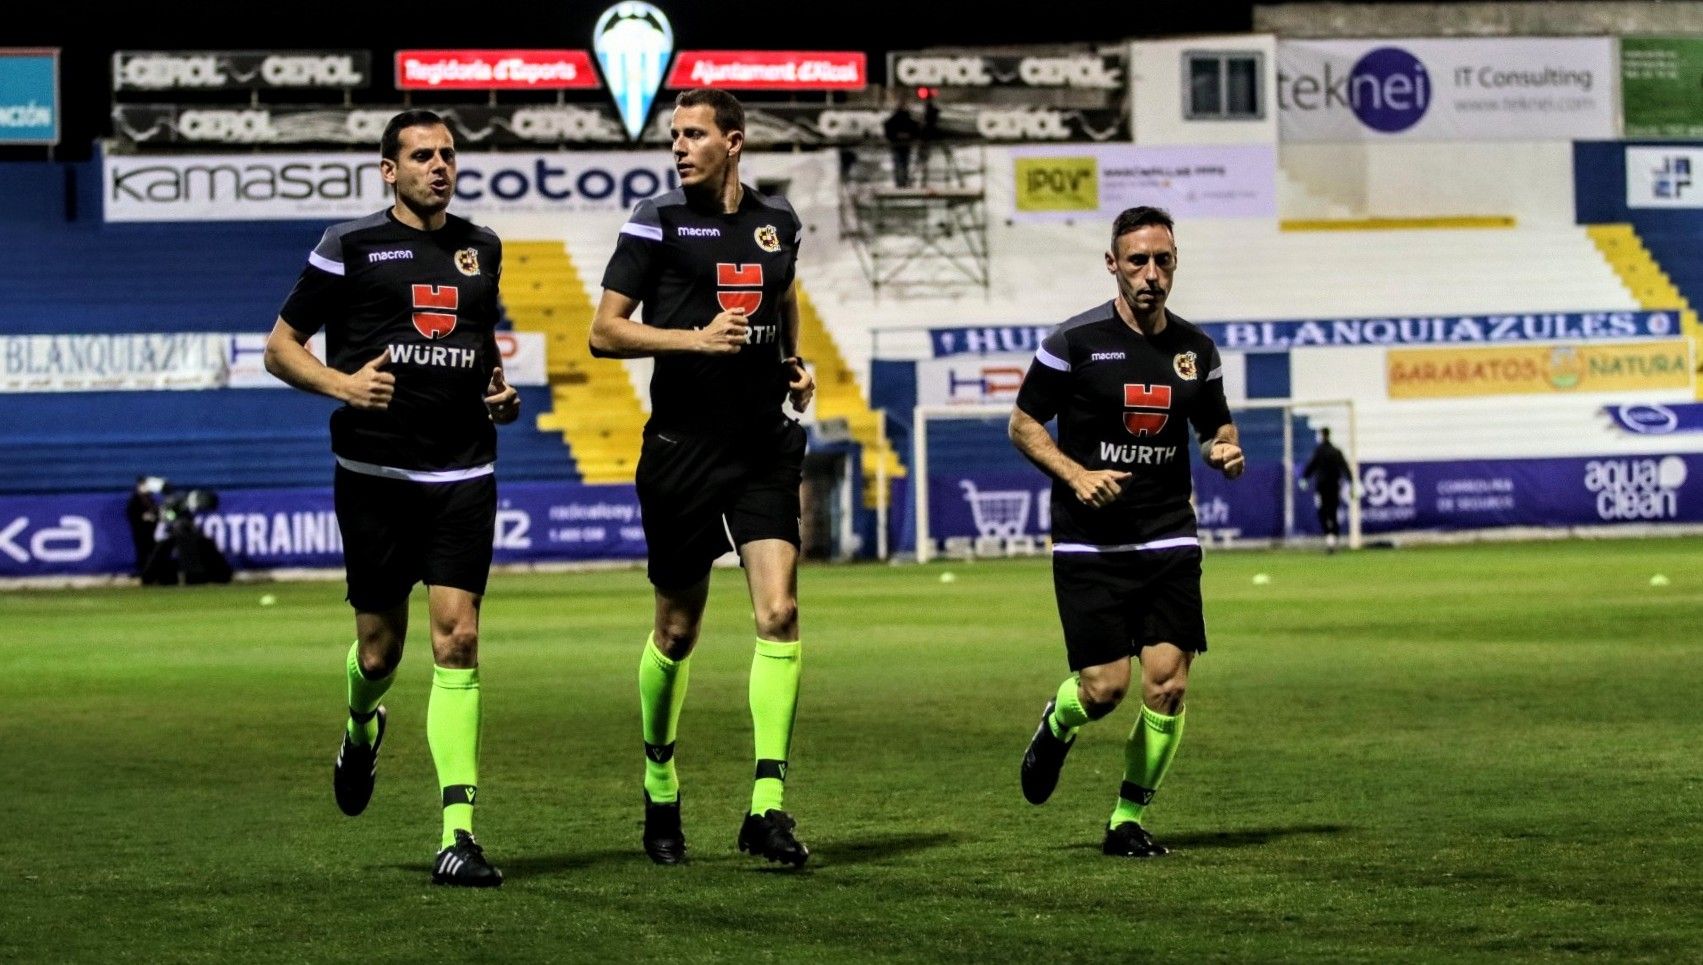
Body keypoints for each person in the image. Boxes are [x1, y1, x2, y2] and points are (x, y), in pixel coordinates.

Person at [263, 108, 519, 888]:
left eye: (446, 154)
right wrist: (343, 384)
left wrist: (496, 393)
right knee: (380, 650)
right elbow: (278, 347)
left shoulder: (484, 248)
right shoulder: (350, 245)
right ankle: (359, 725)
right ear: (388, 169)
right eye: (421, 155)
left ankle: (458, 831)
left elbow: (475, 351)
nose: (438, 166)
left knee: (459, 639)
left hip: (463, 475)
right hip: (374, 480)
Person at [590, 88, 816, 868]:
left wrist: (790, 359)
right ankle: (659, 781)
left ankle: (766, 804)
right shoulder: (655, 221)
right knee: (677, 631)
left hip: (761, 446)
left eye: (693, 134)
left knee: (779, 611)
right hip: (681, 449)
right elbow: (604, 331)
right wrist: (692, 338)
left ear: (734, 141)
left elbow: (779, 295)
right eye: (674, 136)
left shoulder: (778, 220)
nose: (679, 147)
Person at [1009, 206, 1243, 858]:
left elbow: (1216, 427)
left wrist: (1225, 449)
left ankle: (1126, 817)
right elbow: (1023, 424)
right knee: (1103, 688)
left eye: (1161, 260)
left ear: (1175, 263)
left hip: (1168, 533)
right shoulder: (1073, 343)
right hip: (1089, 539)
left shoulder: (1196, 351)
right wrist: (1074, 473)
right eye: (1136, 260)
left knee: (1167, 681)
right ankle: (1058, 723)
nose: (1150, 273)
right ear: (1111, 263)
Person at [1300, 427, 1354, 551]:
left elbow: (1310, 466)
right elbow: (1344, 467)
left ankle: (1329, 537)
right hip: (1335, 487)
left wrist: (1304, 478)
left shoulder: (1318, 451)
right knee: (1333, 512)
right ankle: (1333, 538)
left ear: (1321, 436)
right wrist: (1351, 482)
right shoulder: (1336, 451)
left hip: (1322, 488)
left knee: (1322, 512)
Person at [883, 92, 920, 189]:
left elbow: (888, 128)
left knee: (901, 164)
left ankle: (901, 182)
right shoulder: (904, 119)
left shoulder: (897, 119)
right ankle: (902, 182)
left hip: (901, 145)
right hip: (900, 145)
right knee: (902, 164)